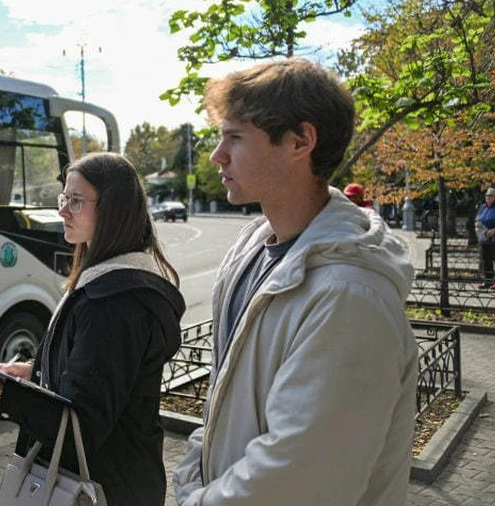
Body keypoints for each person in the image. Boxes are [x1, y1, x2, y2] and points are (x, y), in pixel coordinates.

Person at [173, 59, 417, 506]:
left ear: (301, 141)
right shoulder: (253, 248)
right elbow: (224, 393)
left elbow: (302, 473)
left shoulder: (350, 294)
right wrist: (193, 472)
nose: (217, 155)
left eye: (235, 137)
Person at [0, 152, 185, 506]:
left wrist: (1, 388)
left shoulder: (113, 303)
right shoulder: (106, 285)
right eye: (65, 198)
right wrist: (34, 372)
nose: (63, 210)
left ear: (114, 209)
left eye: (76, 201)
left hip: (107, 489)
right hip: (117, 481)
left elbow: (83, 425)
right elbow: (98, 379)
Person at [476, 187, 495, 289]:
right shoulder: (483, 207)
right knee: (486, 260)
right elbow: (478, 220)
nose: (488, 198)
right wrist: (482, 230)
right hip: (484, 237)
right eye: (487, 196)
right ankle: (487, 280)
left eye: (490, 196)